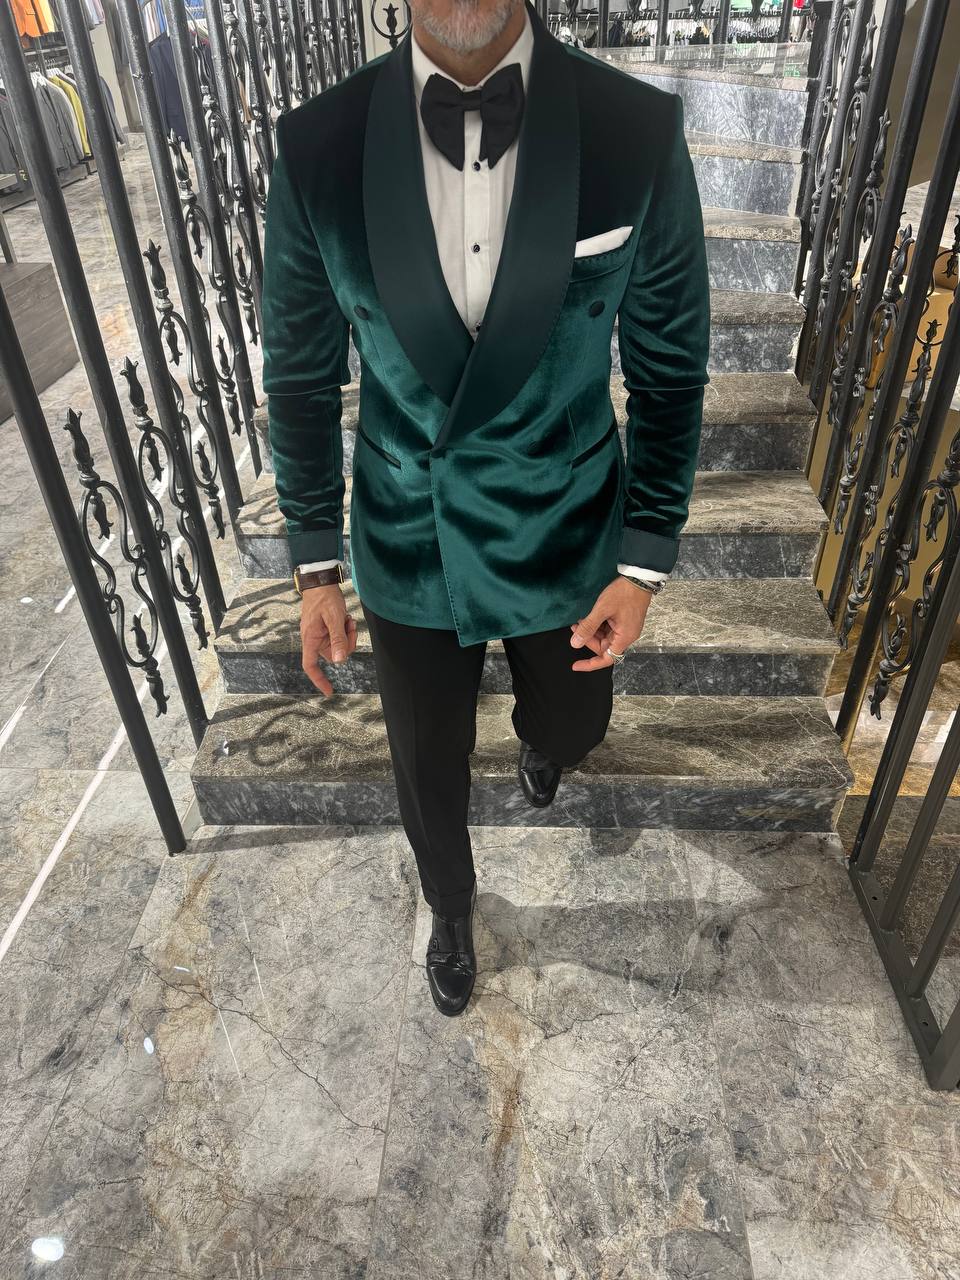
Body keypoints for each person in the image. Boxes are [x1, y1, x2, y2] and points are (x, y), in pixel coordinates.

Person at [261, 0, 710, 1017]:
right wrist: (316, 565)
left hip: (568, 523)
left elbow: (671, 369)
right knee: (426, 762)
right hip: (408, 532)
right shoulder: (317, 145)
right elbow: (298, 377)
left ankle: (547, 743)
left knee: (577, 721)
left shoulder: (635, 128)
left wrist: (643, 559)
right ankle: (451, 907)